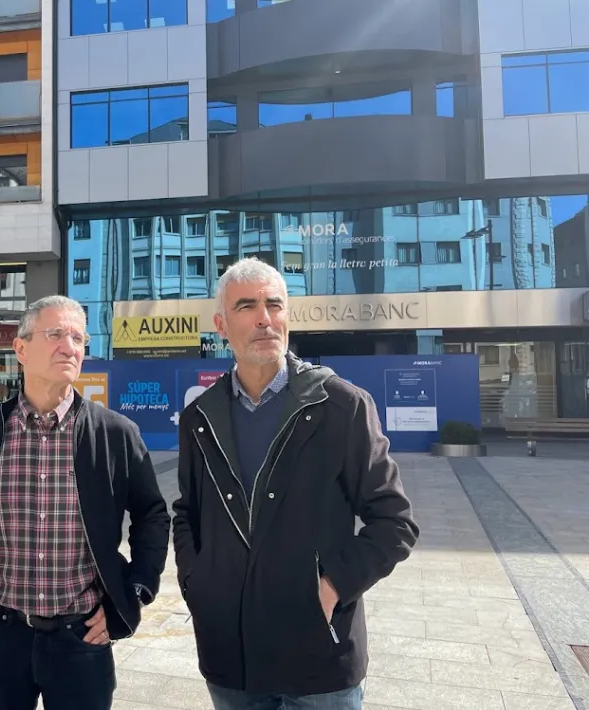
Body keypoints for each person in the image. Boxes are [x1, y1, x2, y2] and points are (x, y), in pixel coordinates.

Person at [173, 257, 420, 710]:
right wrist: (198, 584)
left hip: (319, 662)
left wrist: (332, 588)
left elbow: (394, 523)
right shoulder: (199, 417)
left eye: (274, 305)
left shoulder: (342, 406)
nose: (264, 318)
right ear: (221, 325)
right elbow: (187, 514)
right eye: (247, 306)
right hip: (231, 660)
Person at [0, 295, 171, 710]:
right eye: (55, 334)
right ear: (21, 349)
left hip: (82, 638)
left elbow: (152, 515)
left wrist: (136, 591)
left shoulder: (114, 434)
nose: (69, 347)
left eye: (78, 338)